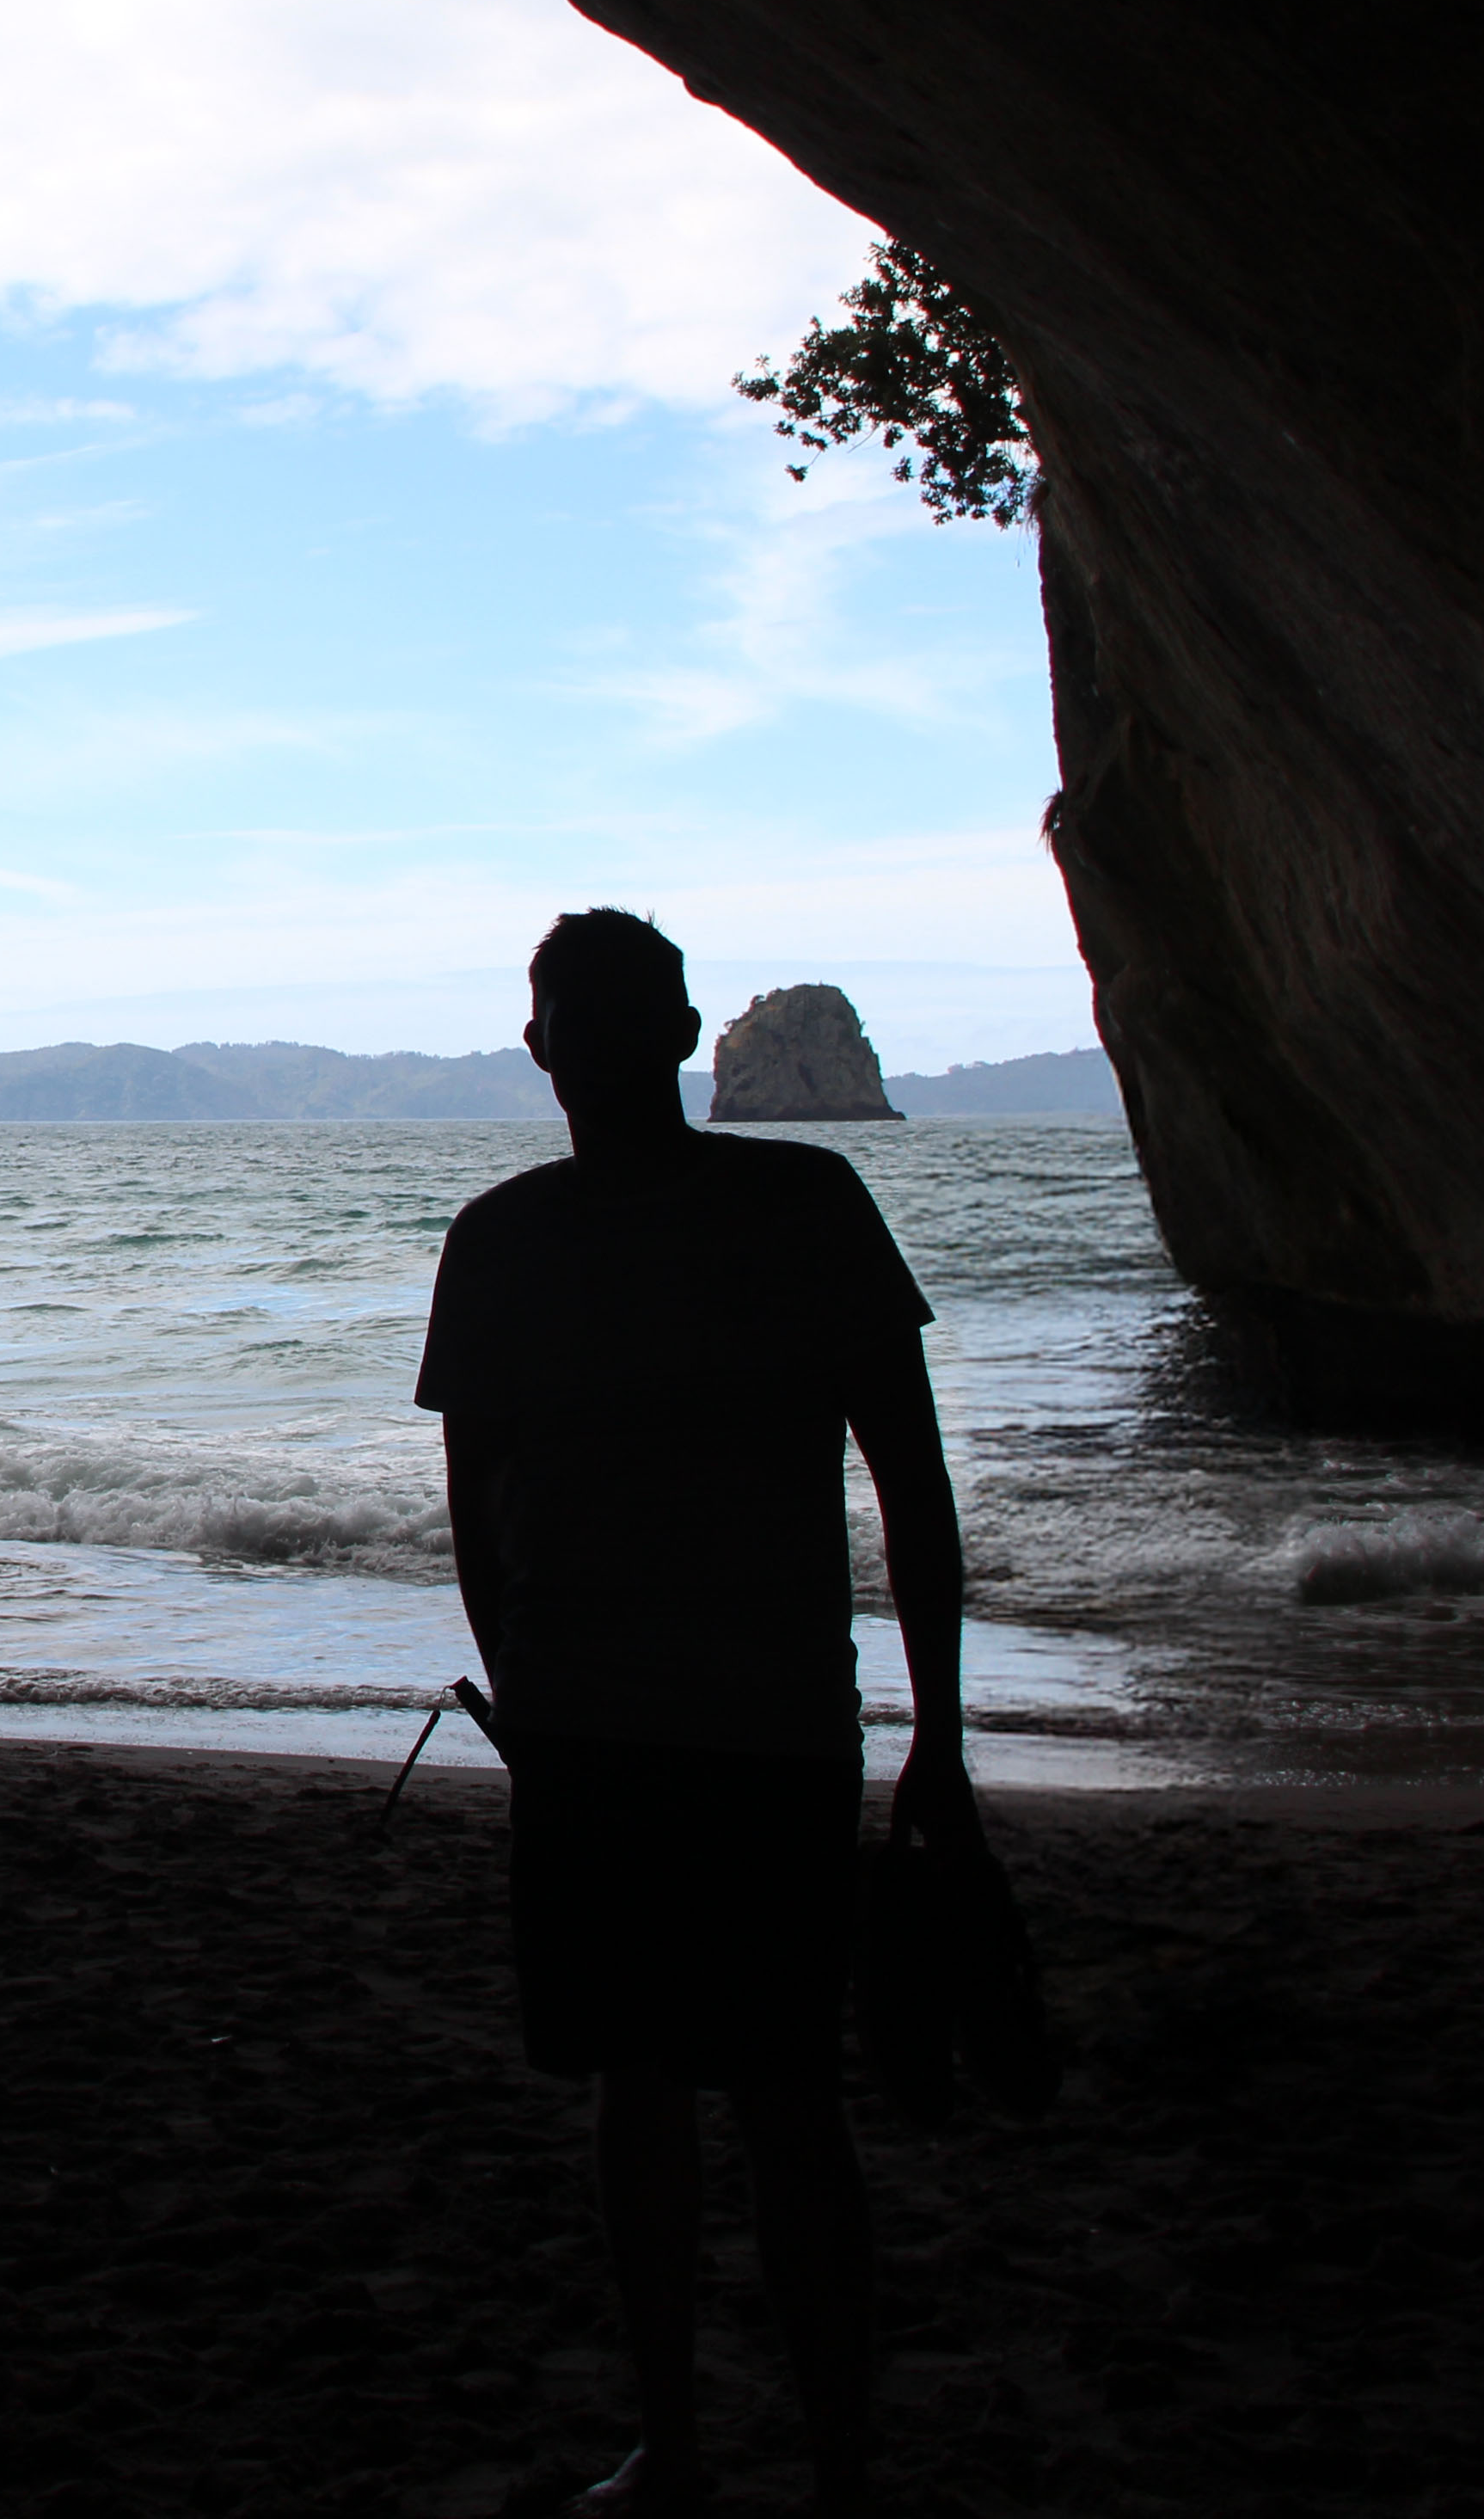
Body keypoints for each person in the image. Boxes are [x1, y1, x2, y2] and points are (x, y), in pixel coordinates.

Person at [420, 910, 971, 2516]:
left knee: (643, 2094)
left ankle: (676, 2441)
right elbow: (913, 1489)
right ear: (680, 1037)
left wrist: (528, 1698)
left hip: (604, 1725)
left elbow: (479, 1515)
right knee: (783, 2100)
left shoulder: (505, 1238)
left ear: (546, 1050)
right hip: (772, 1724)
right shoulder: (803, 1206)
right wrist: (936, 1728)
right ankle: (829, 2462)